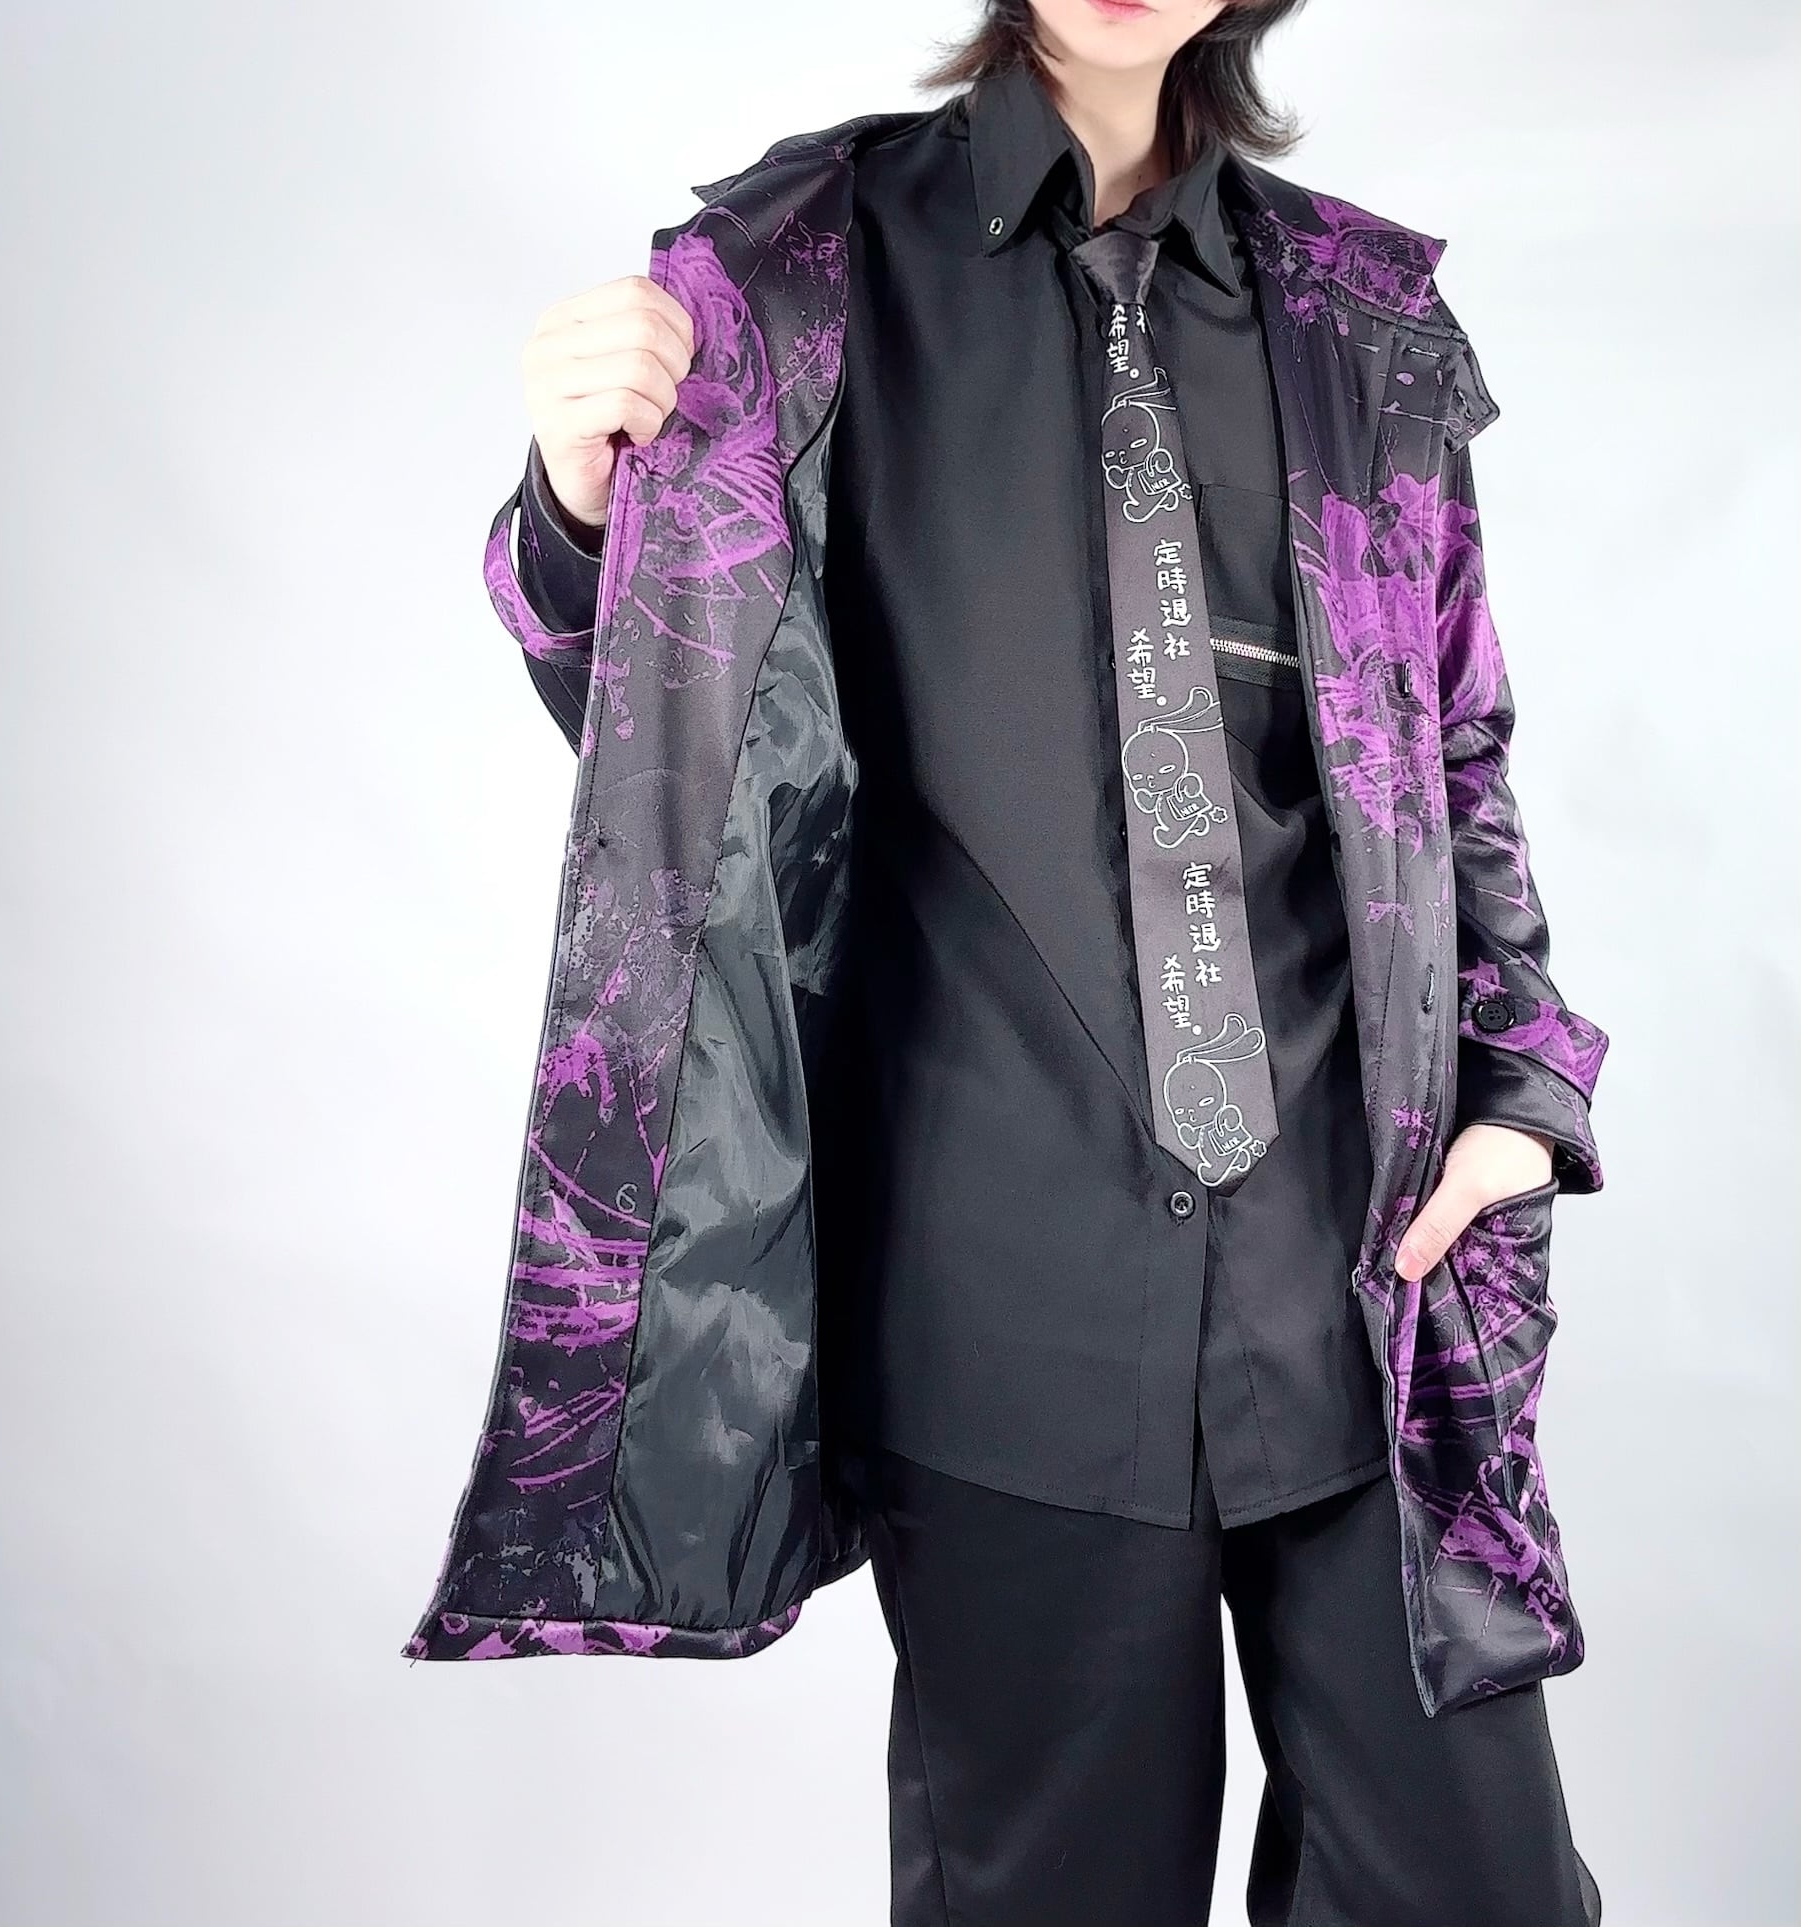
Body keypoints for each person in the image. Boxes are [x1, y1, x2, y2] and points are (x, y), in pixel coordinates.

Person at [454, 1, 1608, 1919]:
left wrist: (1521, 1087)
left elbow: (1455, 742)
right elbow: (681, 732)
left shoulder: (1359, 320)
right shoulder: (796, 273)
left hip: (1362, 1289)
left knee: (1485, 1892)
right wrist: (581, 504)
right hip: (1001, 1309)